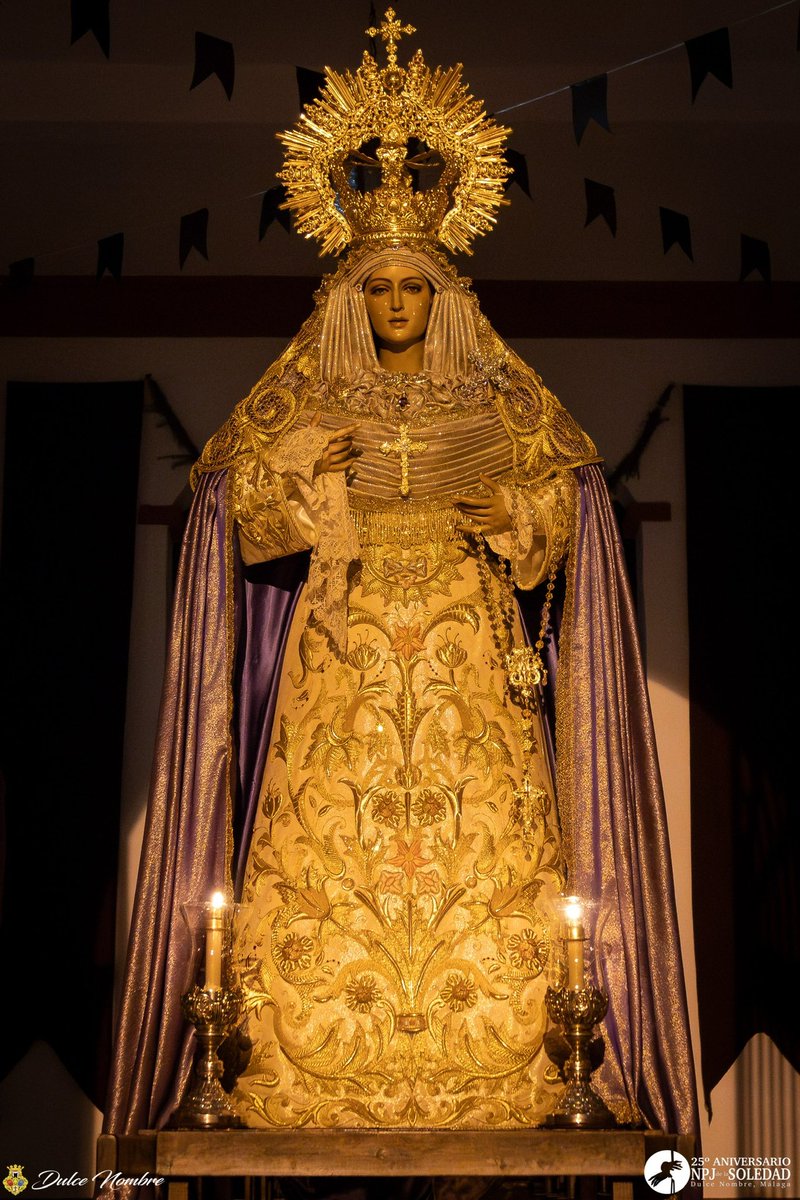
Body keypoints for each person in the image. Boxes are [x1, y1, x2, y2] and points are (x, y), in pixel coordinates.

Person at [105, 8, 698, 1146]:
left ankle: (519, 1058)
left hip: (470, 659)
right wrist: (305, 481)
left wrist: (516, 516)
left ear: (442, 298)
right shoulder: (310, 396)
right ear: (351, 297)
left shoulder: (495, 400)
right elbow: (229, 506)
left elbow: (569, 500)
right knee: (327, 847)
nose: (393, 305)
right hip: (344, 654)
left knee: (486, 856)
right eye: (375, 288)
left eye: (411, 289)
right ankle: (303, 1059)